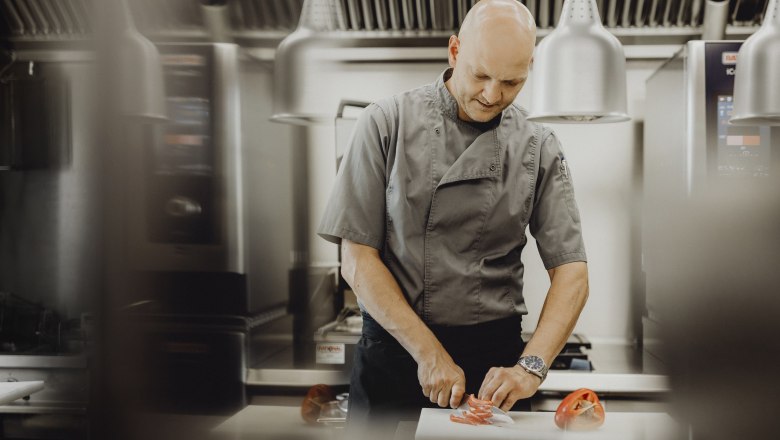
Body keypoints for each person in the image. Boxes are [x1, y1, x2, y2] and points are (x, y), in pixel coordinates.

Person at [317, 0, 589, 428]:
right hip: (394, 353)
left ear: (529, 68)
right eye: (481, 75)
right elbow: (356, 259)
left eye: (511, 82)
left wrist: (531, 367)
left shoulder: (539, 145)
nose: (493, 95)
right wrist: (428, 352)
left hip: (492, 368)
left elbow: (572, 272)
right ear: (455, 51)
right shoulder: (384, 122)